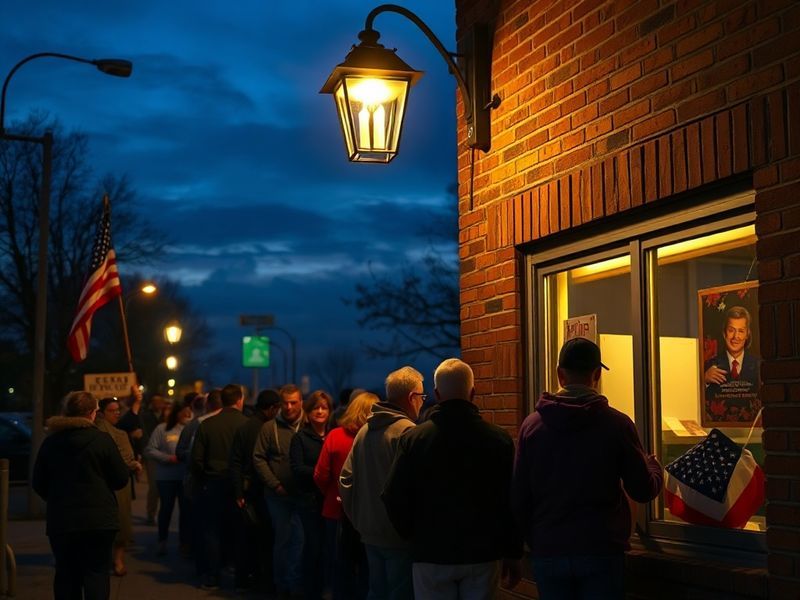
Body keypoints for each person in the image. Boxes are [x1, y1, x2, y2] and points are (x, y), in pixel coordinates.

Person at [511, 337, 663, 599]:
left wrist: (518, 548)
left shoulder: (532, 427)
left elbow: (519, 495)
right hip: (600, 550)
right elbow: (642, 489)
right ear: (596, 375)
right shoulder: (616, 424)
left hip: (549, 550)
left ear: (560, 375)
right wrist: (654, 467)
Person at [382, 358, 523, 598]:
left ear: (436, 393)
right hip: (483, 553)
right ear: (473, 392)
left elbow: (393, 495)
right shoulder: (498, 440)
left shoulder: (415, 440)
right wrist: (513, 550)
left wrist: (414, 535)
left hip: (431, 554)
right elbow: (510, 500)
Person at [32, 391, 129, 600]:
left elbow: (38, 482)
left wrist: (57, 498)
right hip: (100, 521)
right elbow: (121, 478)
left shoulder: (51, 443)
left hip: (63, 520)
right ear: (92, 413)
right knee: (96, 574)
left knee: (67, 575)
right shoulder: (102, 441)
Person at [339, 366, 425, 600]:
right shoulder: (408, 433)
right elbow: (419, 485)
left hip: (369, 531)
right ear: (411, 397)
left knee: (376, 591)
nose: (423, 403)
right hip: (399, 536)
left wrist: (359, 518)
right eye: (422, 396)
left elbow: (345, 479)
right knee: (400, 593)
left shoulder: (364, 431)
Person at [314, 391, 379, 600]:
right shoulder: (376, 438)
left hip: (336, 508)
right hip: (369, 512)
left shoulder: (335, 436)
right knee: (368, 565)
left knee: (339, 563)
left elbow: (320, 474)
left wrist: (332, 492)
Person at [191, 384, 248, 590]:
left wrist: (202, 478)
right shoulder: (246, 424)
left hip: (212, 482)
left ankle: (213, 576)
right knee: (239, 531)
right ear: (240, 400)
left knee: (212, 530)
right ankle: (240, 577)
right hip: (239, 486)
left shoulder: (207, 425)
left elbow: (196, 459)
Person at [252, 383, 306, 597]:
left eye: (294, 402)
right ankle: (281, 585)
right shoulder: (269, 428)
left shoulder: (310, 424)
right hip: (278, 495)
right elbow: (258, 458)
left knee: (300, 541)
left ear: (301, 402)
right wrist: (275, 484)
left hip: (303, 496)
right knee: (283, 540)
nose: (290, 407)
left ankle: (296, 583)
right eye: (286, 403)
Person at [229, 388, 281, 592]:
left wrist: (238, 493)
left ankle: (243, 579)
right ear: (271, 409)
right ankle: (264, 580)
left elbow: (234, 462)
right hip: (265, 489)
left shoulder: (244, 427)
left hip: (247, 490)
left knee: (246, 537)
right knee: (266, 539)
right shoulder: (270, 428)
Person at [290, 389, 334, 600]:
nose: (320, 411)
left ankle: (326, 587)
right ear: (307, 412)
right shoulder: (300, 438)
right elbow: (297, 469)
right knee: (312, 547)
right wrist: (322, 472)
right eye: (315, 407)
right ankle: (310, 590)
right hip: (309, 501)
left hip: (331, 501)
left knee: (329, 548)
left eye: (324, 407)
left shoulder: (333, 435)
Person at [96, 397, 143, 577]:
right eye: (112, 410)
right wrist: (132, 465)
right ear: (101, 413)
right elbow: (124, 460)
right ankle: (116, 561)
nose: (116, 413)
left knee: (119, 524)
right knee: (118, 524)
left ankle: (117, 560)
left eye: (118, 410)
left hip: (118, 485)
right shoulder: (104, 434)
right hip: (112, 484)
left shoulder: (120, 432)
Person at [144, 396, 193, 556]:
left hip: (184, 477)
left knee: (186, 511)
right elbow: (150, 450)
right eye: (184, 411)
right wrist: (167, 458)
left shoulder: (191, 429)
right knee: (166, 509)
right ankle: (162, 541)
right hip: (166, 477)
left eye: (189, 411)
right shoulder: (162, 429)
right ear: (177, 413)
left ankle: (184, 543)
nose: (187, 414)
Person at [704, 306, 760, 416]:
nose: (736, 336)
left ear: (747, 334)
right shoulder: (709, 365)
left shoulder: (759, 366)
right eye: (731, 330)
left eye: (741, 331)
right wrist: (704, 381)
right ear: (724, 333)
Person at [141, 394, 166, 525]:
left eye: (160, 402)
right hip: (152, 455)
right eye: (155, 402)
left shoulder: (166, 416)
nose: (158, 404)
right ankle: (151, 513)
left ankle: (162, 514)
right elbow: (143, 434)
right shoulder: (145, 416)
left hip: (165, 453)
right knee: (154, 487)